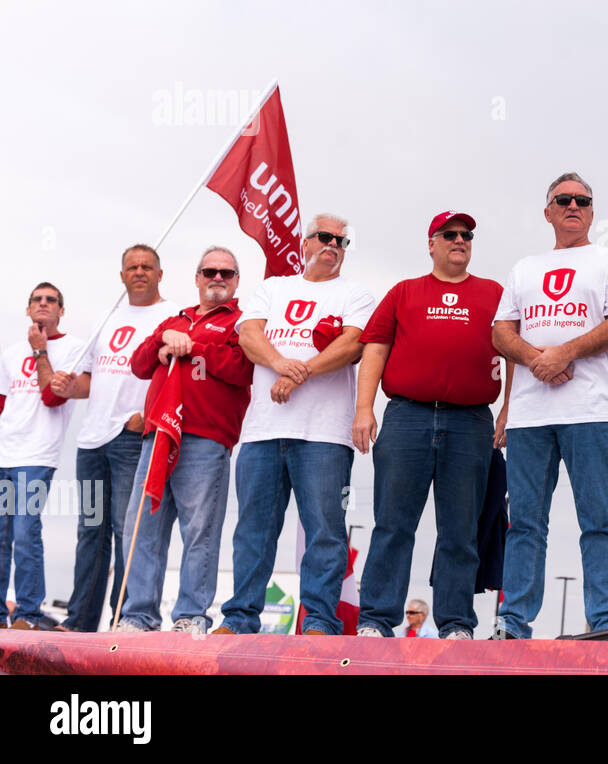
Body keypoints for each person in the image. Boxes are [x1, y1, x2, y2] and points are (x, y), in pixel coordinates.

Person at [492, 173, 608, 639]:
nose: (574, 205)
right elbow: (501, 333)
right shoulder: (525, 267)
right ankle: (513, 622)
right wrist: (541, 360)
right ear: (548, 211)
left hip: (591, 412)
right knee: (525, 524)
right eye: (564, 199)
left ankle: (603, 622)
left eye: (583, 200)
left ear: (592, 211)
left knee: (598, 519)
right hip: (530, 415)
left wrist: (564, 353)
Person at [213, 215, 375, 636]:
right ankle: (239, 618)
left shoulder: (355, 294)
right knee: (253, 530)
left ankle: (320, 620)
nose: (333, 245)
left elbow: (353, 343)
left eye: (342, 240)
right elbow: (249, 334)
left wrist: (296, 372)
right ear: (304, 243)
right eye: (324, 237)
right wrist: (280, 363)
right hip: (263, 431)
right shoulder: (273, 288)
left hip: (324, 433)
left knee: (325, 530)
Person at [354, 211, 510, 640]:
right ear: (431, 243)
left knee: (460, 530)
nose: (460, 240)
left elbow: (512, 350)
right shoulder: (404, 292)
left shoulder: (494, 293)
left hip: (471, 420)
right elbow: (375, 349)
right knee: (392, 524)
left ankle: (457, 624)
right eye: (450, 234)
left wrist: (508, 409)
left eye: (466, 235)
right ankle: (376, 619)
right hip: (407, 416)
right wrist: (364, 409)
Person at [117, 247, 254, 633]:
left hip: (207, 437)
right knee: (142, 527)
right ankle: (137, 616)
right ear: (196, 278)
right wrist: (163, 343)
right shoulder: (174, 318)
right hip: (158, 434)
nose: (217, 278)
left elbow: (242, 370)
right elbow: (140, 364)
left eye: (226, 273)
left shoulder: (244, 321)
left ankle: (191, 615)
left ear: (237, 281)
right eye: (210, 271)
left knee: (199, 531)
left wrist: (195, 347)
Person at [51, 245, 169, 633]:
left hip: (130, 437)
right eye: (132, 267)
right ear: (122, 276)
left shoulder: (169, 315)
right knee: (91, 532)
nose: (139, 272)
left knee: (127, 532)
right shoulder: (106, 317)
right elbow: (88, 381)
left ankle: (125, 621)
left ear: (159, 274)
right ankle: (81, 622)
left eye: (146, 267)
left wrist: (147, 417)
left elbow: (173, 378)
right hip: (91, 442)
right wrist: (67, 387)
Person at [0, 283, 83, 630]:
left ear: (62, 311)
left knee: (25, 530)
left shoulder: (73, 348)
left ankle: (29, 613)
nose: (44, 304)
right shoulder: (9, 351)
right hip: (6, 451)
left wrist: (40, 351)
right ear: (28, 309)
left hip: (37, 454)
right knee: (2, 535)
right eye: (37, 299)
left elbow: (52, 397)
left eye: (51, 300)